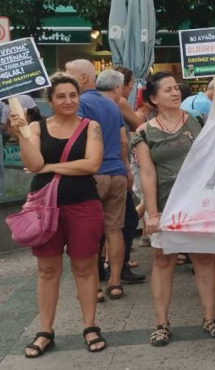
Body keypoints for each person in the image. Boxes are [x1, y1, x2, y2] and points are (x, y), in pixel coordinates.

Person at [9, 72, 107, 356]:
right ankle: (45, 331)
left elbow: (92, 164)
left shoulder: (91, 126)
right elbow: (34, 163)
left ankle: (90, 326)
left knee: (85, 267)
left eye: (73, 95)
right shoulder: (36, 127)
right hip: (44, 207)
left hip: (83, 204)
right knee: (47, 270)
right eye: (61, 96)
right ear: (50, 100)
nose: (68, 101)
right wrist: (21, 135)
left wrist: (51, 168)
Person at [133, 72, 215, 345]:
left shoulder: (199, 120)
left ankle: (210, 317)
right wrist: (152, 213)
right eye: (167, 90)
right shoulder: (144, 132)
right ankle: (161, 323)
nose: (175, 93)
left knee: (203, 259)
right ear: (154, 98)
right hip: (165, 205)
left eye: (176, 88)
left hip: (198, 205)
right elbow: (147, 175)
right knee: (163, 261)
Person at [66, 60, 131, 301]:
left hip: (92, 175)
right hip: (116, 174)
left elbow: (75, 135)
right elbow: (123, 140)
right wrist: (126, 169)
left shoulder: (80, 104)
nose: (66, 78)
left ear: (83, 78)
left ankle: (94, 287)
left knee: (89, 233)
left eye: (69, 74)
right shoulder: (113, 104)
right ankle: (115, 282)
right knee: (114, 230)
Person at [95, 70, 146, 285]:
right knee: (121, 223)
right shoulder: (117, 103)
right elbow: (132, 131)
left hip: (92, 170)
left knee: (98, 225)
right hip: (114, 169)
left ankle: (98, 271)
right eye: (130, 83)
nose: (132, 87)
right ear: (118, 87)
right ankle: (118, 273)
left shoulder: (85, 102)